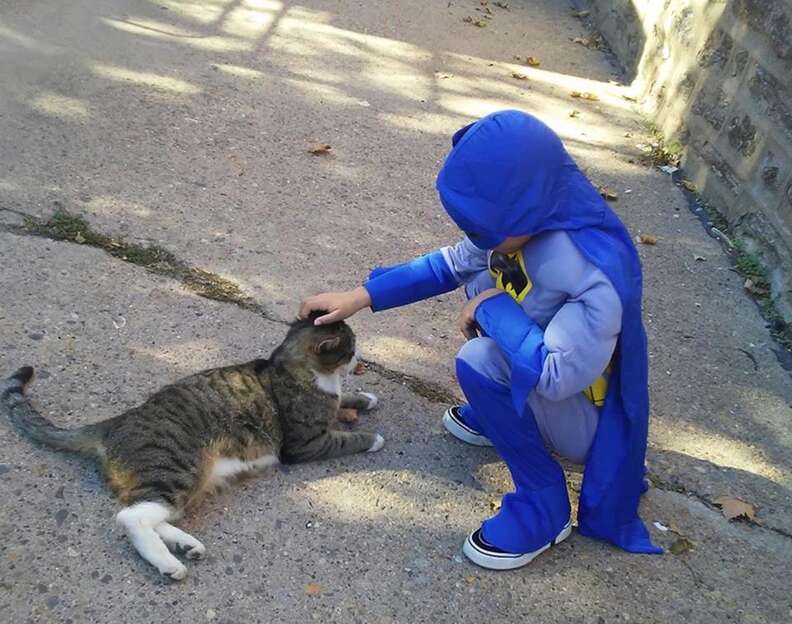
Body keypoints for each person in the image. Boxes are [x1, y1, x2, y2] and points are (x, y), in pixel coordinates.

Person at [299, 110, 661, 570]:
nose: (476, 238)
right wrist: (358, 297)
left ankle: (544, 505)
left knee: (479, 360)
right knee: (481, 324)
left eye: (483, 228)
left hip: (586, 417)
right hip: (545, 364)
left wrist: (491, 306)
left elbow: (555, 376)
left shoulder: (593, 271)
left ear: (523, 205)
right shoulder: (525, 216)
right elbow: (449, 264)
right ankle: (505, 416)